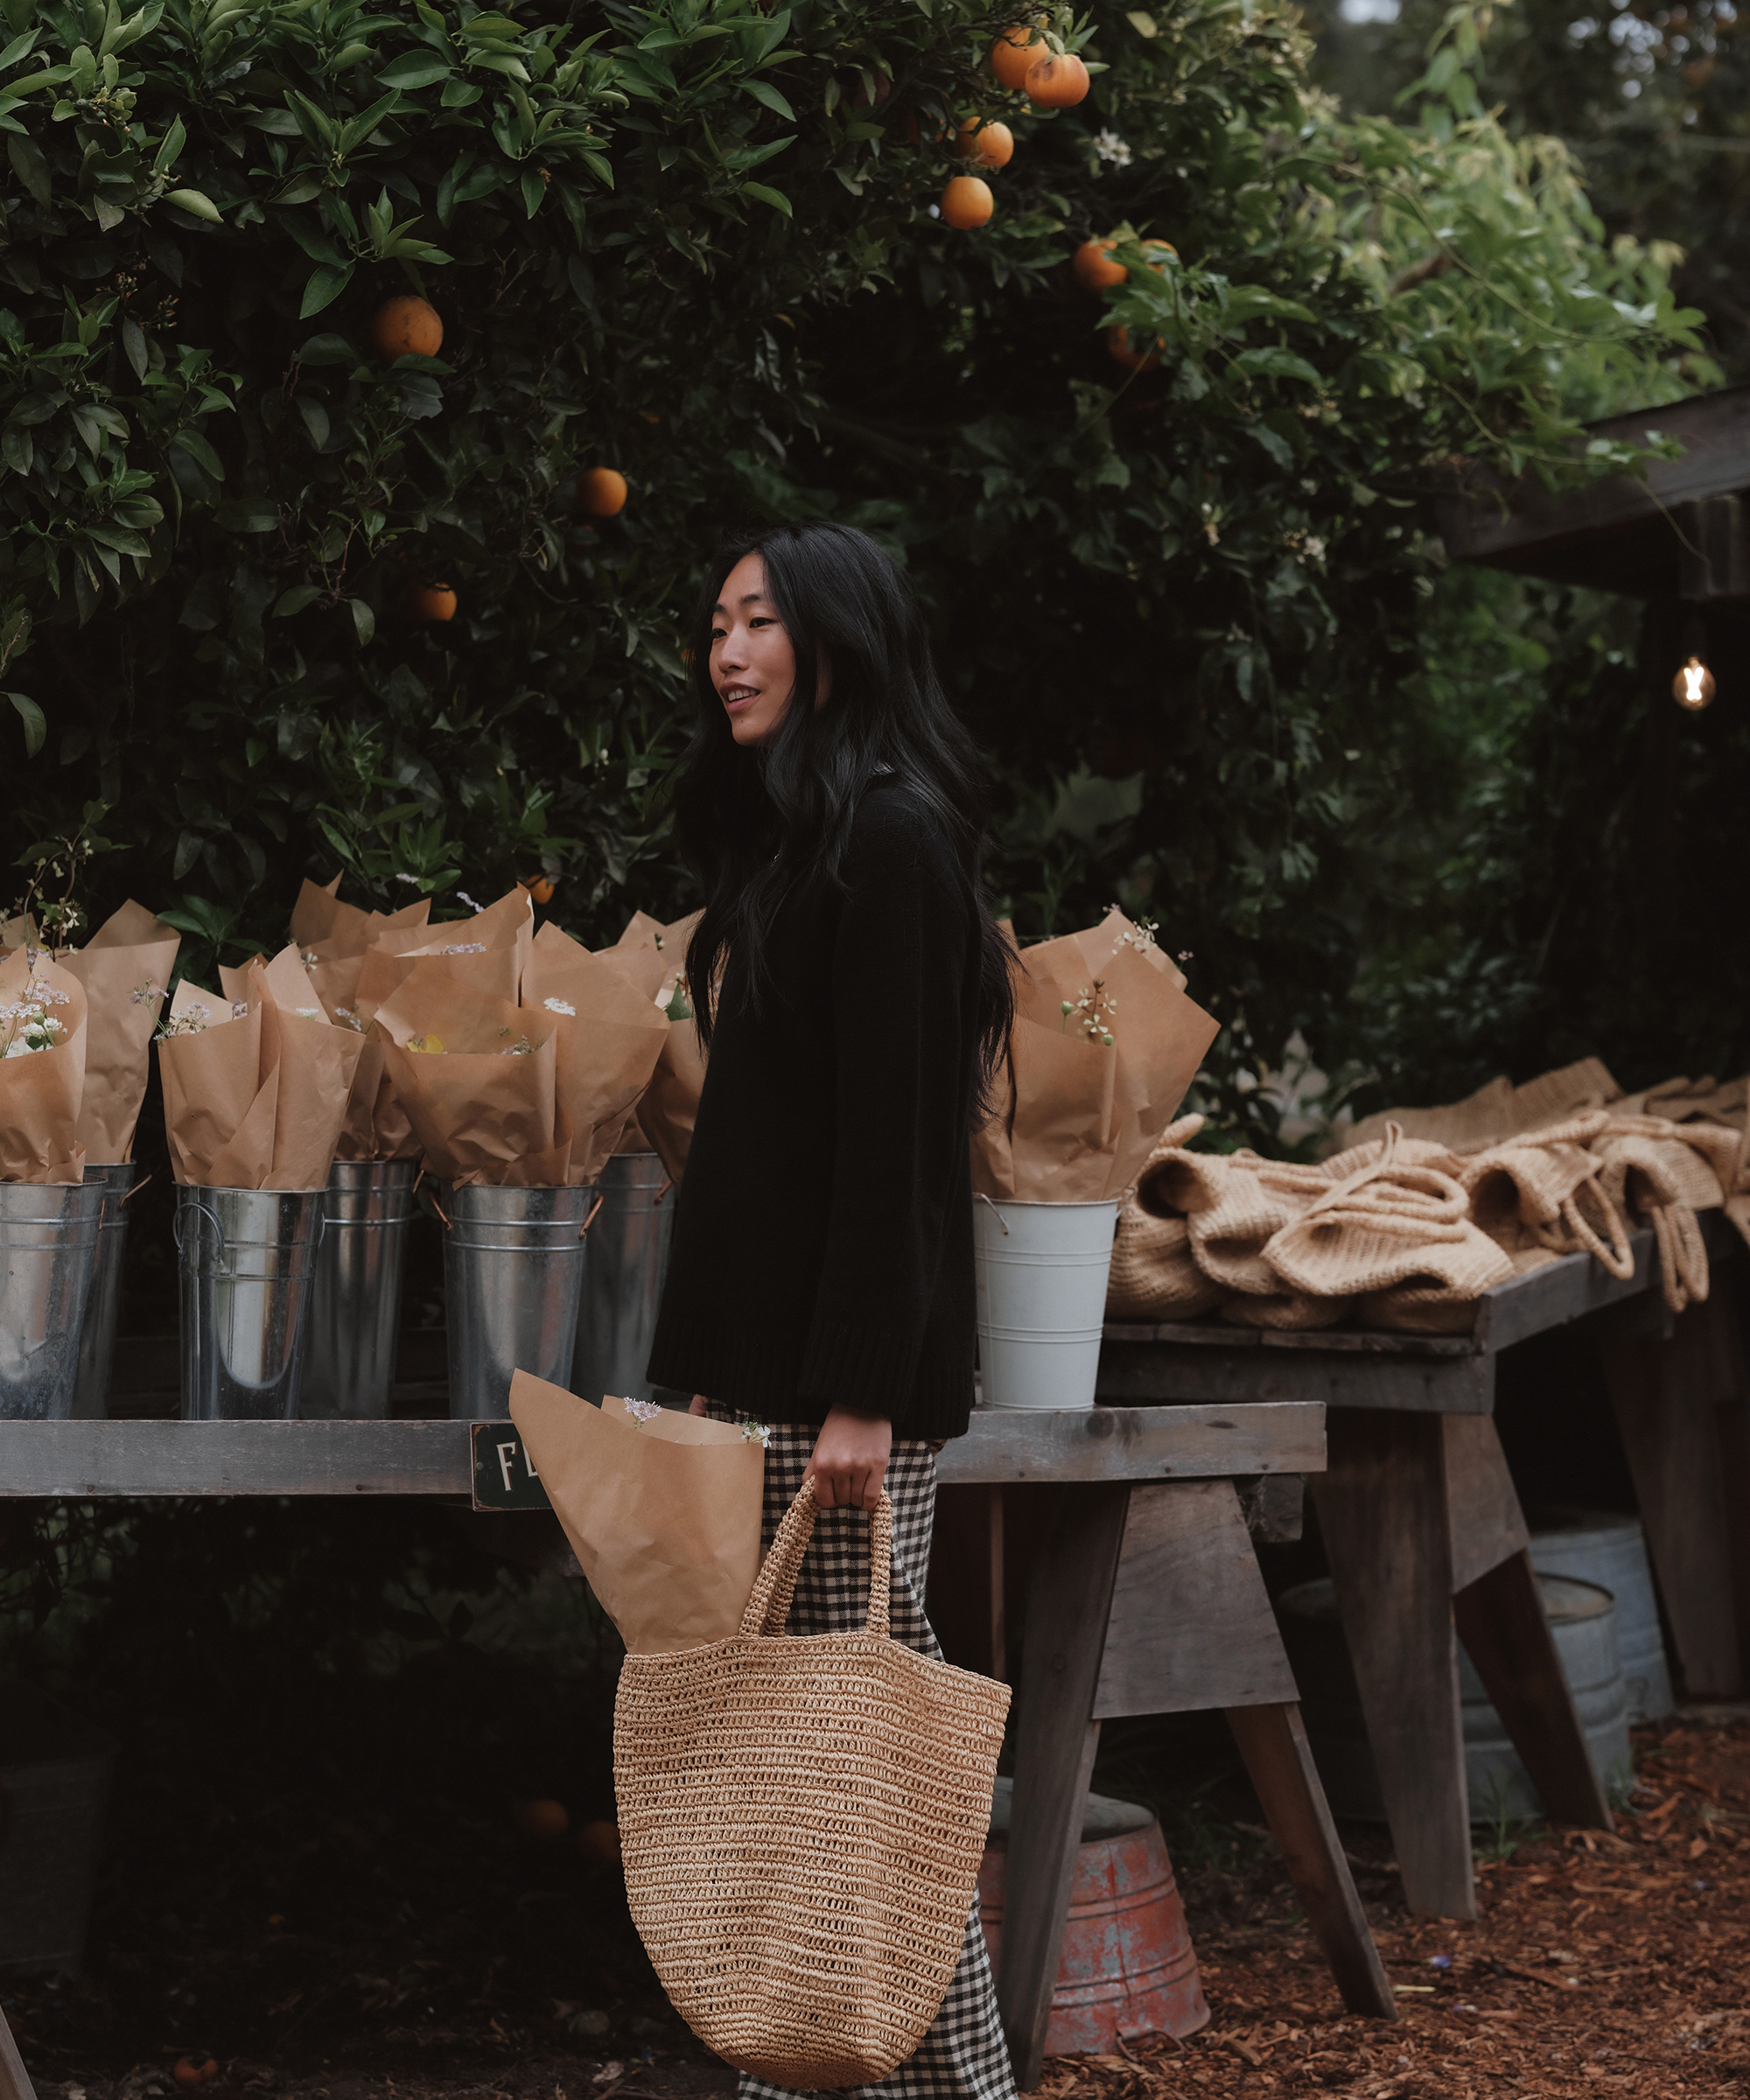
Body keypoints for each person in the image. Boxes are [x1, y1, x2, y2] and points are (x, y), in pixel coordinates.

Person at [646, 521, 1018, 2100]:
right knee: (823, 1770)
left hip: (843, 1400)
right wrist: (712, 1389)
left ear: (835, 641)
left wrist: (860, 1394)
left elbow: (897, 1158)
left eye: (757, 623)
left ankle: (942, 2084)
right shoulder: (801, 844)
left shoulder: (895, 842)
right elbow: (762, 1168)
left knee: (856, 1772)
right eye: (715, 626)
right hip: (773, 1386)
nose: (725, 653)